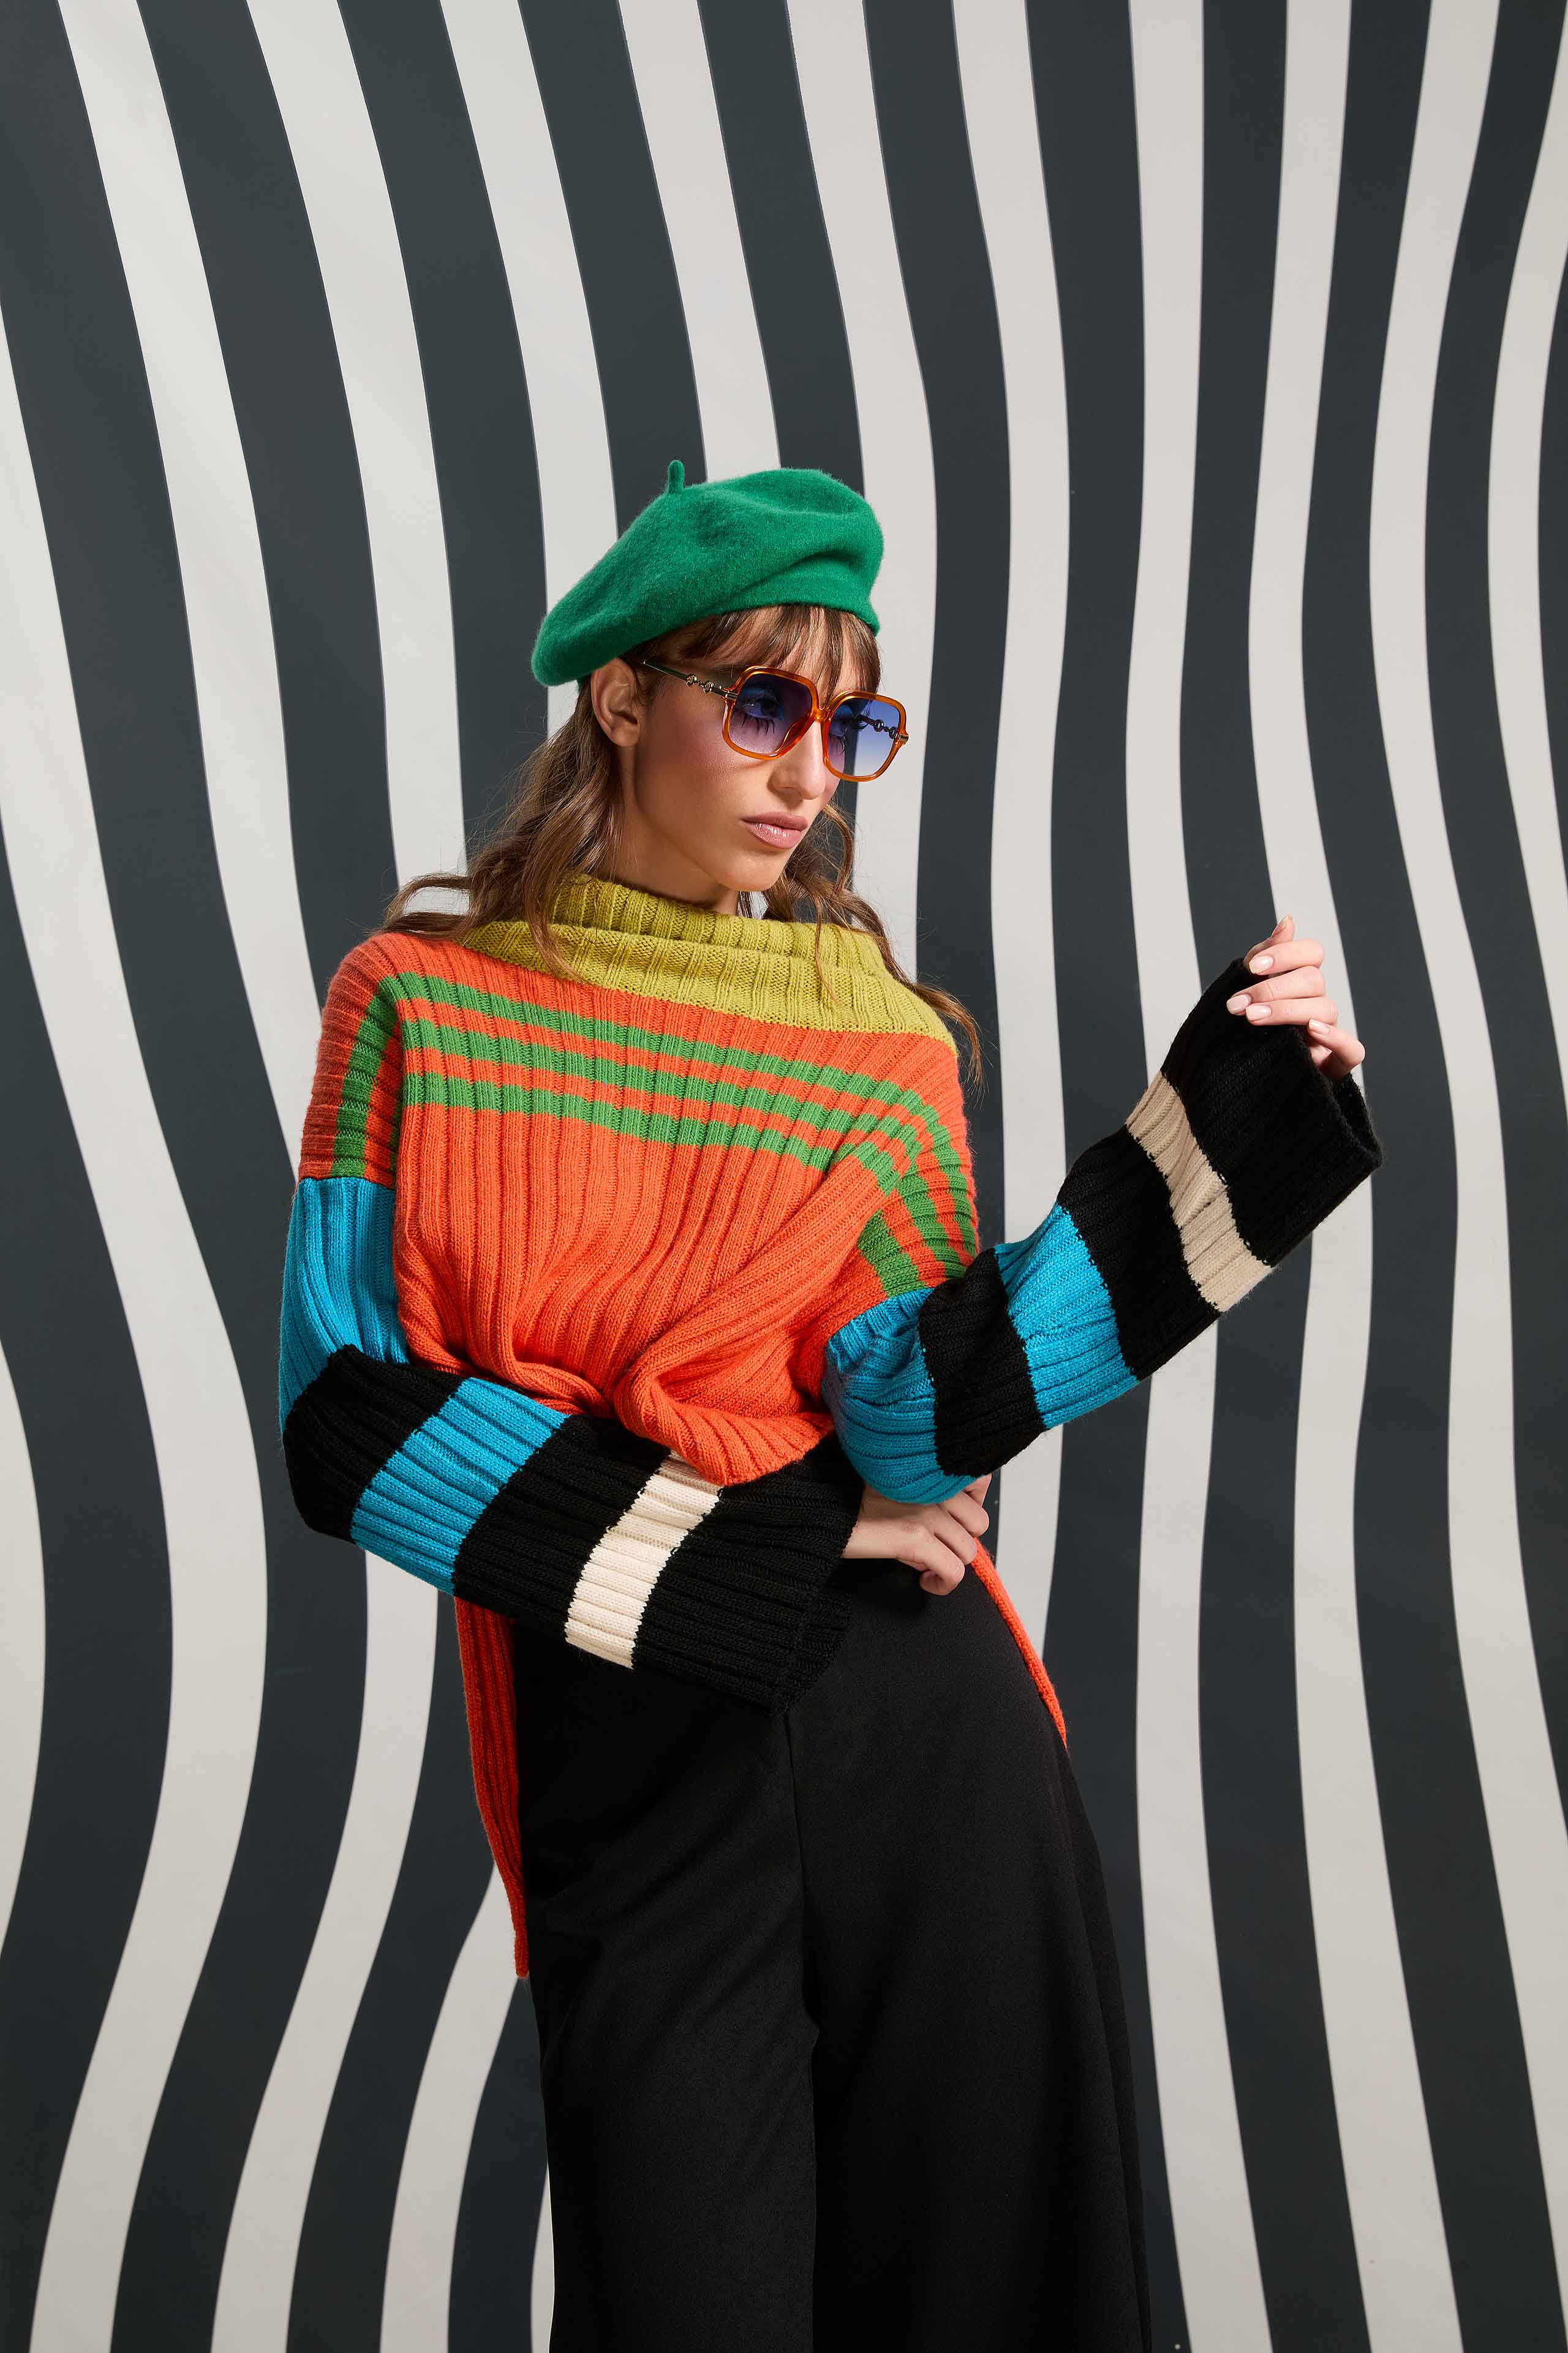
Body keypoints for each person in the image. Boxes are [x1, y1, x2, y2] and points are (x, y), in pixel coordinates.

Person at [276, 457, 1381, 2351]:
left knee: (993, 2294)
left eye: (850, 725)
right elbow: (348, 1419)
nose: (811, 773)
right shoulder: (419, 1008)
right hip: (639, 1734)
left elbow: (915, 1420)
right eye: (765, 705)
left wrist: (1218, 1137)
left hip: (925, 1735)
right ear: (624, 696)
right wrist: (777, 1529)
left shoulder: (884, 1042)